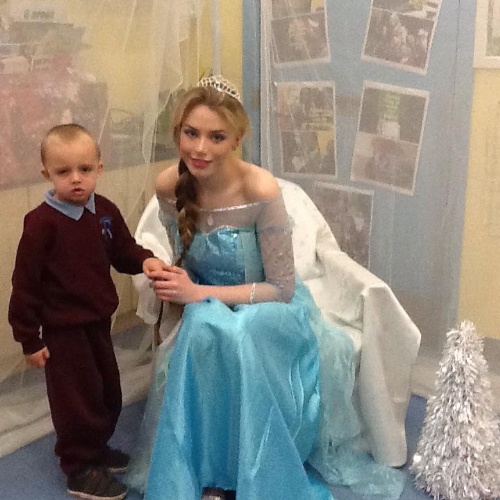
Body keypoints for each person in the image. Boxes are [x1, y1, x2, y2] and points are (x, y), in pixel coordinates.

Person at [125, 77, 407, 500]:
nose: (200, 149)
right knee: (206, 327)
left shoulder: (260, 189)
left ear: (237, 138)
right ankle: (211, 473)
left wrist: (199, 294)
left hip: (267, 308)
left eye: (216, 137)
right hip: (206, 307)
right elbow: (184, 260)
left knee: (237, 331)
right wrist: (173, 281)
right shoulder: (168, 186)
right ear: (177, 133)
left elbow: (281, 288)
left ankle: (245, 471)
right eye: (191, 133)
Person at [8, 123, 166, 500]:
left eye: (84, 169)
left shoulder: (104, 212)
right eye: (63, 172)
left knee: (106, 391)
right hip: (62, 332)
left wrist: (145, 260)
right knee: (75, 401)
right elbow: (25, 284)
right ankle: (79, 467)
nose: (76, 179)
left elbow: (123, 250)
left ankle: (95, 448)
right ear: (47, 174)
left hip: (98, 324)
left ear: (99, 168)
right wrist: (29, 339)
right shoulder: (41, 223)